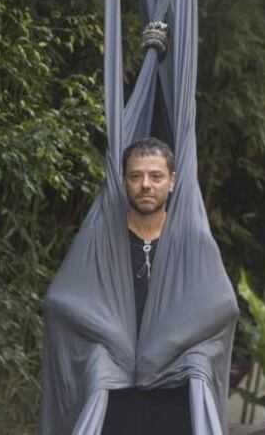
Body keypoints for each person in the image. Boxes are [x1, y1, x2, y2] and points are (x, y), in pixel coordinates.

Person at [101, 137, 193, 435]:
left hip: (173, 385)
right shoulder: (101, 241)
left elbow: (218, 310)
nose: (145, 185)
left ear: (172, 181)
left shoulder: (192, 242)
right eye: (136, 176)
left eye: (156, 176)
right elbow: (67, 303)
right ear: (123, 181)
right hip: (116, 384)